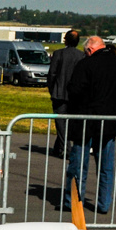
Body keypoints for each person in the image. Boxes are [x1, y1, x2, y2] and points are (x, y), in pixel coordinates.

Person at [62, 36, 116, 215]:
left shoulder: (86, 64)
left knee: (78, 165)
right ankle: (104, 203)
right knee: (106, 166)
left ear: (89, 50)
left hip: (87, 120)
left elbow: (74, 90)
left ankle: (73, 201)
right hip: (110, 121)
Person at [47, 30, 84, 158]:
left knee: (61, 121)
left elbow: (52, 74)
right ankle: (59, 147)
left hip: (59, 92)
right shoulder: (81, 56)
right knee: (65, 122)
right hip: (75, 94)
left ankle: (66, 148)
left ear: (65, 40)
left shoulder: (59, 54)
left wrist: (52, 89)